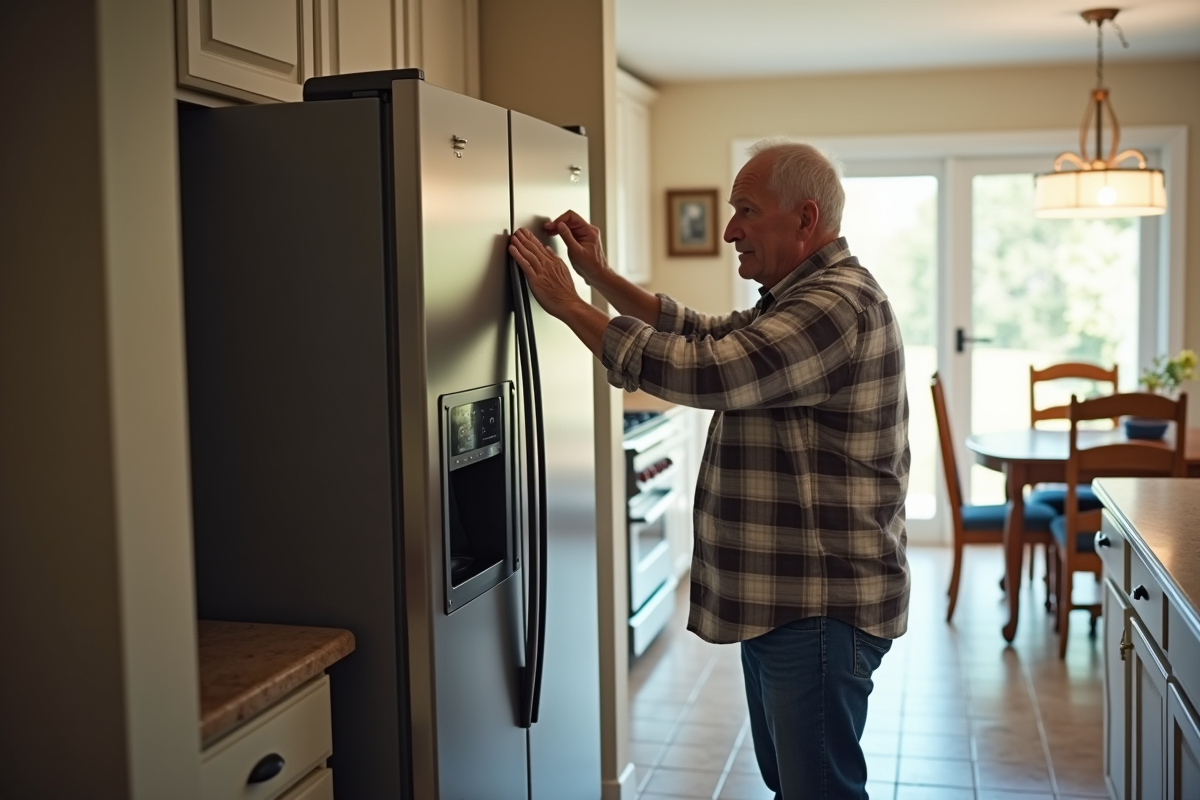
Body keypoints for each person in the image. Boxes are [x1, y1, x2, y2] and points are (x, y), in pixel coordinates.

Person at [508, 139, 910, 800]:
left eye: (747, 211)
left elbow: (711, 370)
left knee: (818, 792)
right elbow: (708, 334)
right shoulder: (800, 295)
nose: (730, 230)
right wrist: (599, 276)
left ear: (805, 219)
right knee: (796, 784)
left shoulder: (837, 304)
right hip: (792, 600)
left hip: (817, 604)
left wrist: (571, 307)